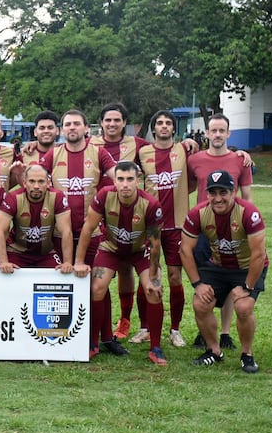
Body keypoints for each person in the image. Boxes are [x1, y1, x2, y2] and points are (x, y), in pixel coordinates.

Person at [74, 161, 166, 364]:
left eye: (130, 179)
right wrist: (79, 261)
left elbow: (155, 245)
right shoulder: (104, 196)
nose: (125, 184)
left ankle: (156, 348)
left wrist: (153, 276)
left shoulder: (151, 205)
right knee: (96, 287)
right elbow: (88, 229)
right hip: (111, 247)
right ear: (114, 180)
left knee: (154, 290)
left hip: (140, 250)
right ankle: (92, 343)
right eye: (121, 179)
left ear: (138, 180)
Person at [180, 170, 268, 373]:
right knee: (200, 304)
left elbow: (258, 254)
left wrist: (247, 286)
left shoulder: (248, 213)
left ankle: (247, 355)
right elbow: (185, 250)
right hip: (218, 266)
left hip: (247, 266)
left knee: (244, 307)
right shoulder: (198, 214)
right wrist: (197, 284)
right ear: (207, 194)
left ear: (233, 191)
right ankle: (214, 351)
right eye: (213, 193)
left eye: (223, 192)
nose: (218, 198)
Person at [187, 113, 253, 350]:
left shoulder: (239, 160)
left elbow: (247, 197)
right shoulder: (195, 160)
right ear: (206, 133)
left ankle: (225, 332)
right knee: (206, 279)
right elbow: (187, 187)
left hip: (233, 229)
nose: (217, 135)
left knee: (230, 278)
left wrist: (247, 228)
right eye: (212, 130)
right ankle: (204, 331)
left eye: (221, 130)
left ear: (228, 133)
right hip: (204, 228)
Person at [136, 110, 190, 347]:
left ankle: (175, 330)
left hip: (177, 226)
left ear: (174, 128)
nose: (164, 126)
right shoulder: (142, 152)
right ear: (153, 128)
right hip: (151, 227)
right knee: (148, 277)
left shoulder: (184, 150)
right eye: (160, 123)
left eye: (169, 123)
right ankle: (145, 327)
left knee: (175, 276)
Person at [39, 110, 116, 264]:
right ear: (62, 130)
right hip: (59, 233)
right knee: (63, 282)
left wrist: (130, 174)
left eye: (76, 124)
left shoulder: (99, 153)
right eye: (68, 124)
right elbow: (33, 184)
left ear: (86, 128)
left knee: (95, 285)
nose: (72, 127)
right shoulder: (53, 154)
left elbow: (118, 178)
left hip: (91, 232)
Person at [0, 164, 74, 274]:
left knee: (61, 278)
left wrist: (68, 262)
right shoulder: (13, 197)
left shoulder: (57, 197)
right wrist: (3, 262)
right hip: (17, 250)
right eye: (32, 181)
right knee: (1, 275)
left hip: (46, 253)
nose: (36, 186)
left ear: (48, 183)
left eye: (41, 181)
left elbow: (66, 231)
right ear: (24, 183)